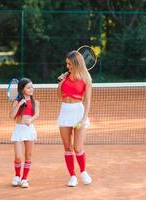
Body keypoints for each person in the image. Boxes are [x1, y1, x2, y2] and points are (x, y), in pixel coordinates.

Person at [57, 50, 93, 187]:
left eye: (70, 64)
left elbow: (88, 101)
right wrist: (60, 82)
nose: (67, 67)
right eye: (67, 64)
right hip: (65, 111)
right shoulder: (65, 77)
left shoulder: (86, 79)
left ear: (77, 63)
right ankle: (72, 176)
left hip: (78, 112)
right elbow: (59, 96)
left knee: (78, 148)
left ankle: (83, 172)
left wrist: (84, 119)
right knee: (67, 147)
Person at [10, 78, 39, 188]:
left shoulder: (35, 102)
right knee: (18, 156)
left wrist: (30, 121)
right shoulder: (16, 102)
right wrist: (18, 104)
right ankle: (17, 176)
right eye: (28, 87)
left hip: (29, 129)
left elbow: (36, 115)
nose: (31, 89)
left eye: (32, 87)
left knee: (28, 155)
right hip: (18, 129)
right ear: (22, 89)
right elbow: (12, 116)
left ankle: (24, 179)